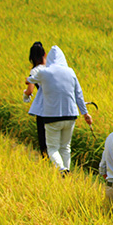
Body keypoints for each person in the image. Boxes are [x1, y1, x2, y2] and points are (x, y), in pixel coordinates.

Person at [27, 45, 92, 173]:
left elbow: (30, 80)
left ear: (49, 57)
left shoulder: (45, 72)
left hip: (52, 116)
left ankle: (61, 169)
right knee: (65, 147)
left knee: (52, 148)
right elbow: (78, 94)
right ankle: (66, 172)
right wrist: (85, 114)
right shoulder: (70, 71)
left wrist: (29, 80)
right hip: (71, 115)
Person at [23, 41, 47, 157]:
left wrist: (25, 94)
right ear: (45, 54)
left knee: (43, 136)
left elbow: (30, 90)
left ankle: (45, 159)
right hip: (57, 106)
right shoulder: (52, 68)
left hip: (43, 107)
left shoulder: (35, 71)